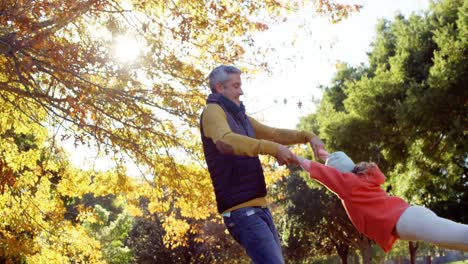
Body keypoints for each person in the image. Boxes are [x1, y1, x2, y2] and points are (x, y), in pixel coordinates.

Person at [199, 65, 325, 263]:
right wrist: (273, 149)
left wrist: (308, 136)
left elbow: (274, 133)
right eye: (236, 85)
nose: (241, 91)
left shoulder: (240, 118)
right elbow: (226, 141)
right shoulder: (212, 111)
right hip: (241, 212)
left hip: (260, 207)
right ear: (219, 88)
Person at [297, 150, 468, 252]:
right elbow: (339, 164)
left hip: (406, 220)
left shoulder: (348, 185)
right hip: (410, 216)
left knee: (461, 236)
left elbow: (319, 171)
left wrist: (292, 156)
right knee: (458, 242)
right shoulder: (361, 178)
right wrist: (327, 154)